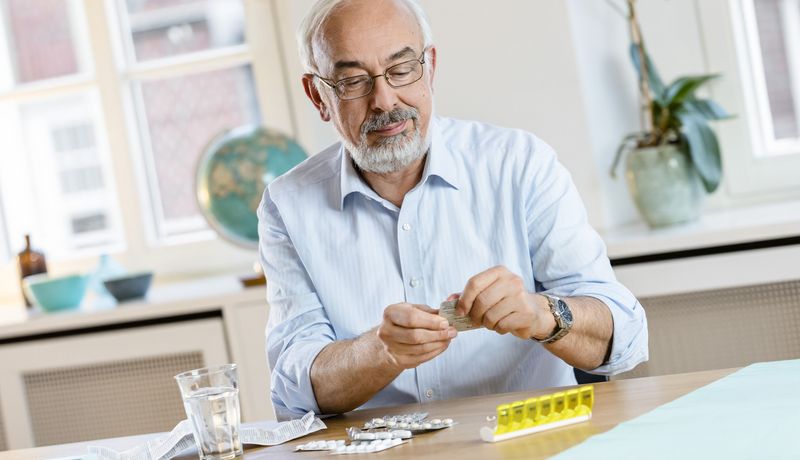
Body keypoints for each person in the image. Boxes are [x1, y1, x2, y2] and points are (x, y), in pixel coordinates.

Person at [258, 0, 648, 421]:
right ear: (318, 96)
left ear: (431, 67)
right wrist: (379, 352)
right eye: (352, 81)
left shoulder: (519, 163)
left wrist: (543, 314)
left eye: (402, 68)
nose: (385, 100)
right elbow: (294, 389)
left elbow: (624, 338)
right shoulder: (287, 206)